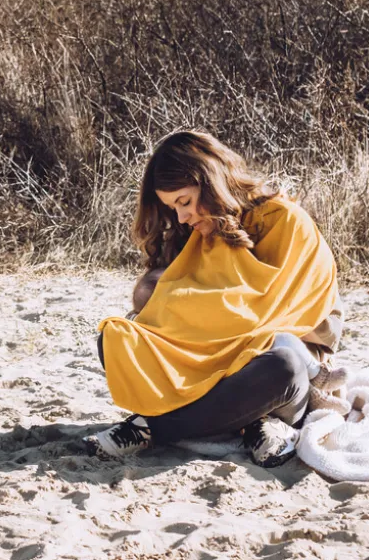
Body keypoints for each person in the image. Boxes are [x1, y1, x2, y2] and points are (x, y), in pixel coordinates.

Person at [84, 130, 347, 468]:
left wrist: (236, 331)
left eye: (184, 202)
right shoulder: (200, 232)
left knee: (283, 365)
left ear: (210, 182)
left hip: (273, 376)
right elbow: (175, 309)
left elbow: (319, 328)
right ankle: (238, 422)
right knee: (117, 339)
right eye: (172, 207)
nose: (181, 217)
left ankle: (152, 429)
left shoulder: (285, 222)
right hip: (212, 371)